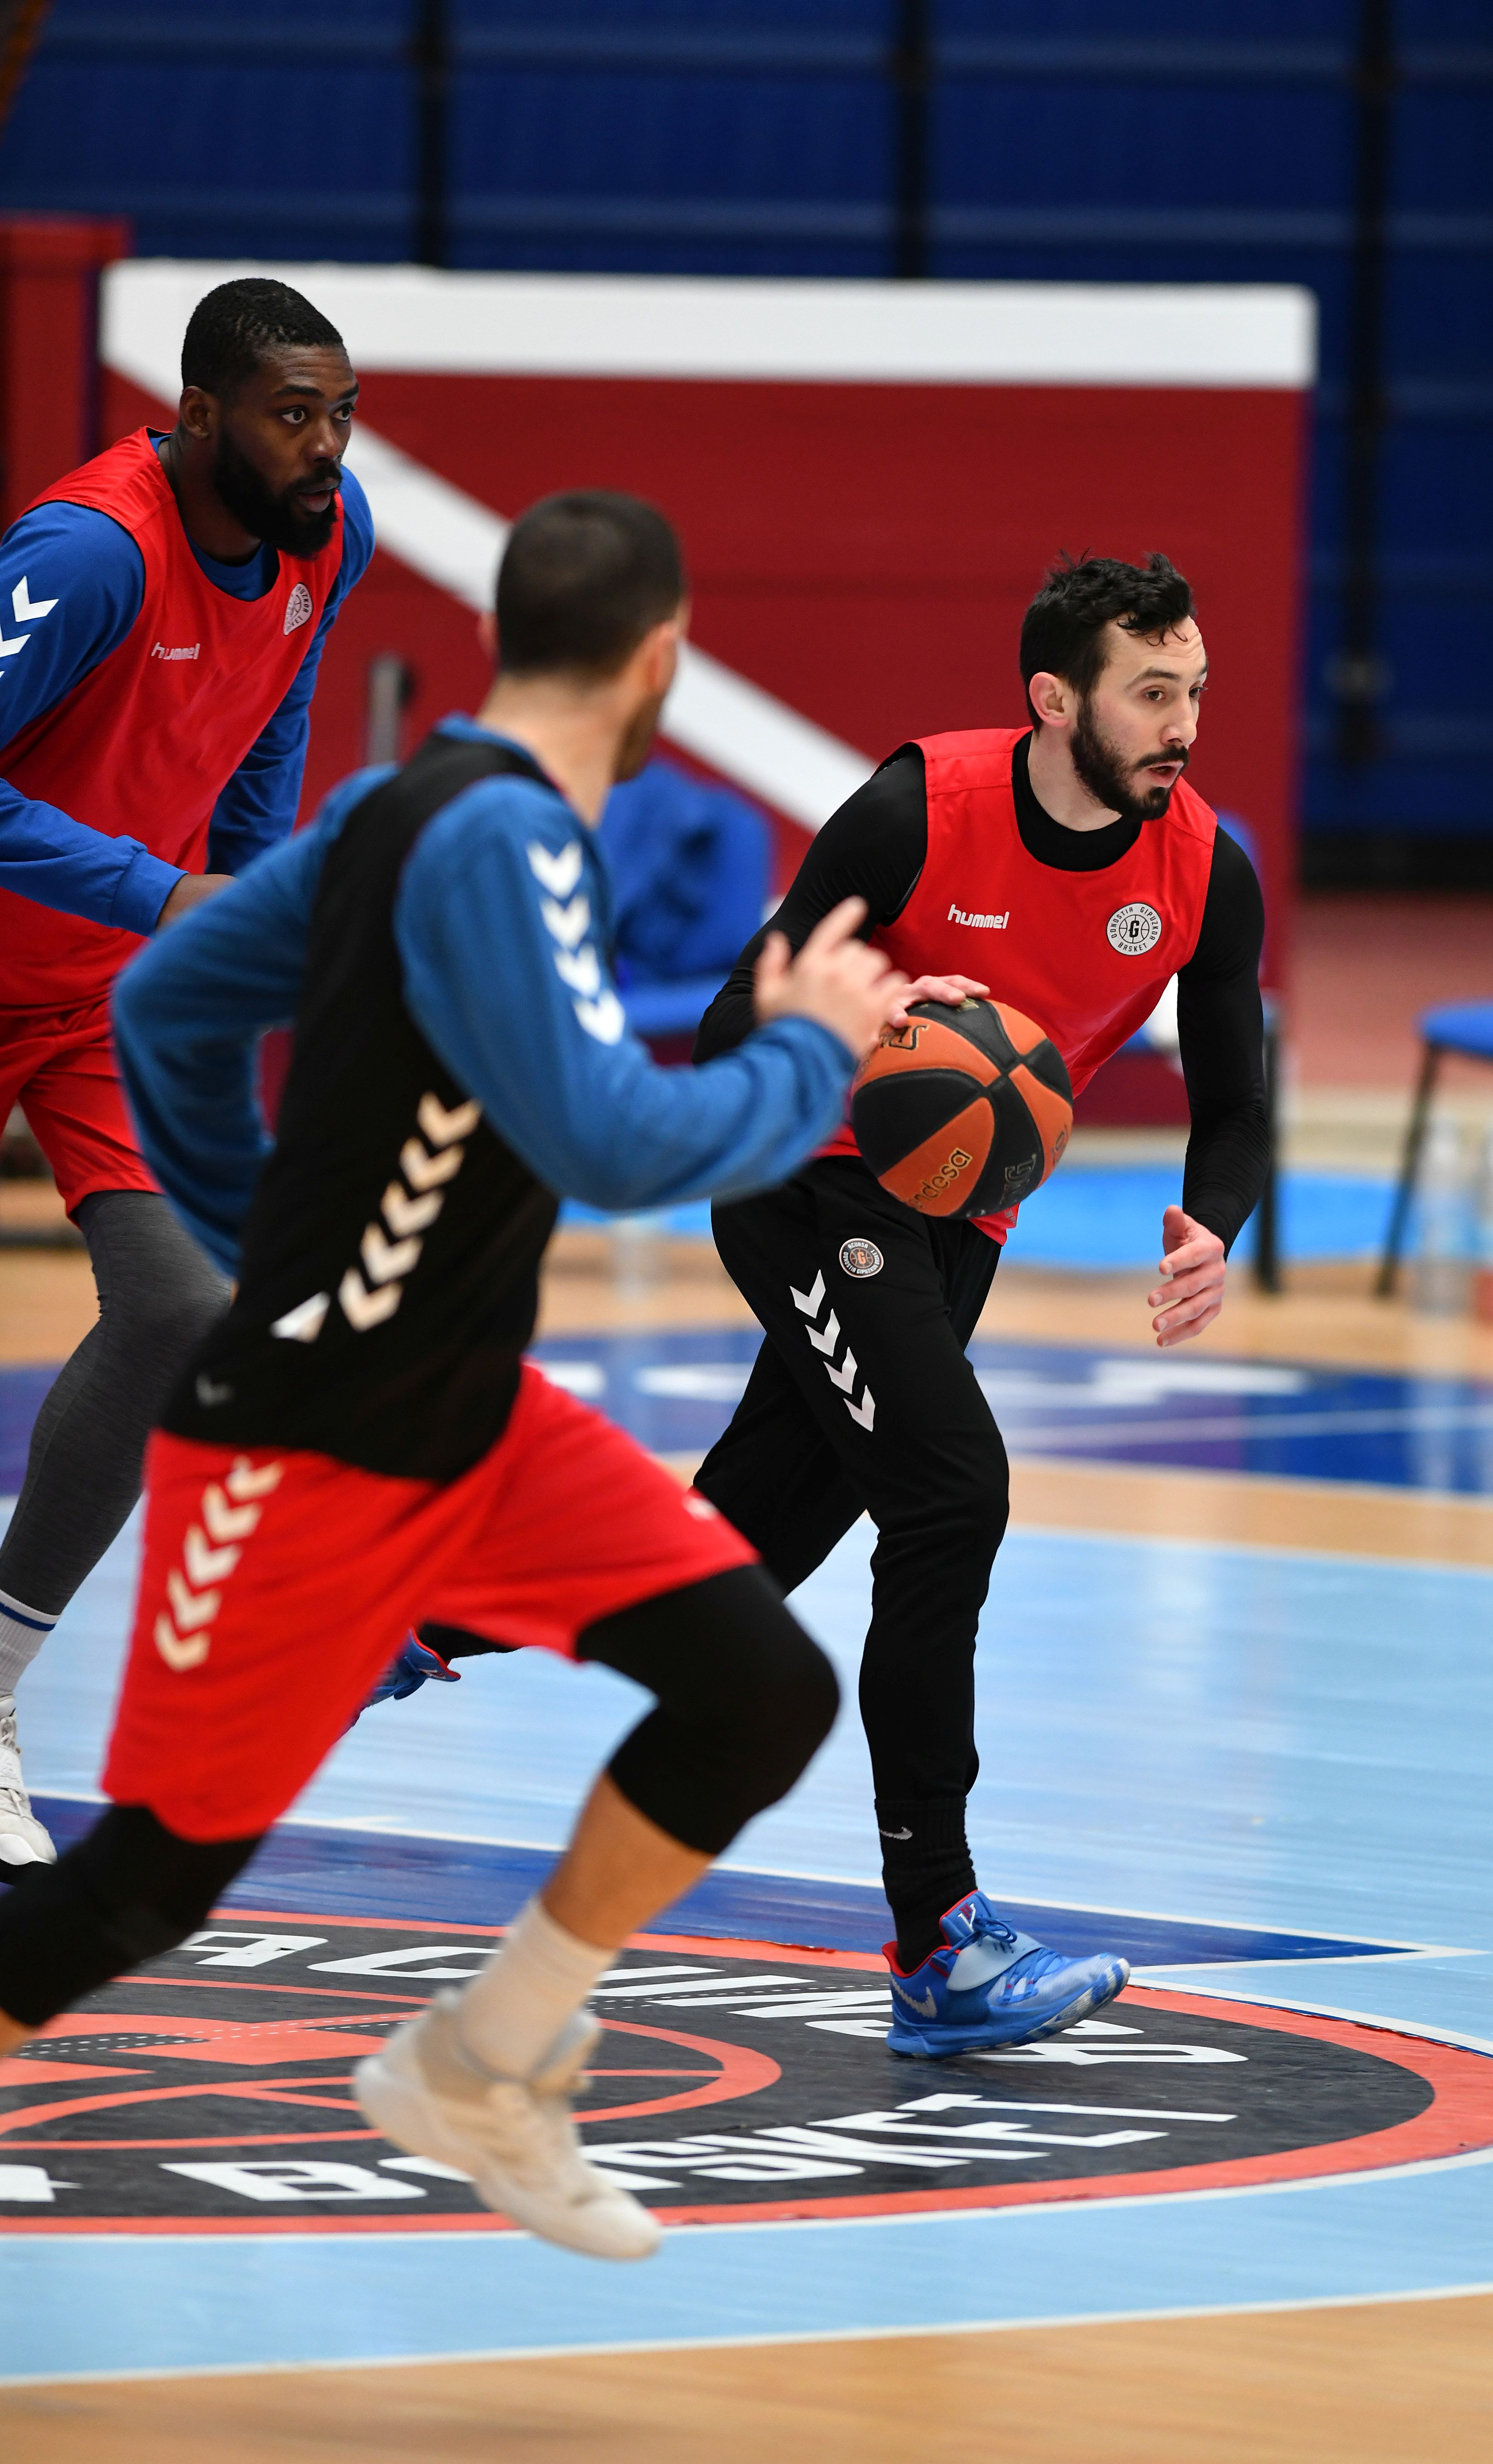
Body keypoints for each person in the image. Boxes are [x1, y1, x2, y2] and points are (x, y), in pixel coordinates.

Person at [0, 488, 904, 2259]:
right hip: (312, 1451)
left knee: (757, 1691)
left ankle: (481, 2062)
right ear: (662, 660)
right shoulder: (499, 843)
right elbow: (613, 1137)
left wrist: (251, 1212)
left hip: (472, 1423)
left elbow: (170, 1000)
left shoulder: (385, 807)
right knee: (134, 1891)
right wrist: (810, 1054)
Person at [681, 551, 1271, 2057]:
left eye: (1194, 690)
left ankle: (420, 1619)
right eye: (1152, 693)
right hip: (805, 1176)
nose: (1182, 722)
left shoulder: (1203, 864)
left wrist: (1215, 1220)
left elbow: (1232, 1095)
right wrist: (852, 1003)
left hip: (952, 1222)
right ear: (1053, 699)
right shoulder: (915, 809)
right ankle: (938, 1936)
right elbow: (724, 1015)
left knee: (744, 1544)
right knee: (950, 1497)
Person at [0, 276, 375, 1866]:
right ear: (199, 415)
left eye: (343, 412)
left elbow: (266, 721)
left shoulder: (325, 536)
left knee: (178, 1304)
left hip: (96, 1004)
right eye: (295, 413)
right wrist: (161, 894)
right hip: (75, 934)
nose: (327, 445)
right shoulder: (89, 551)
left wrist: (247, 903)